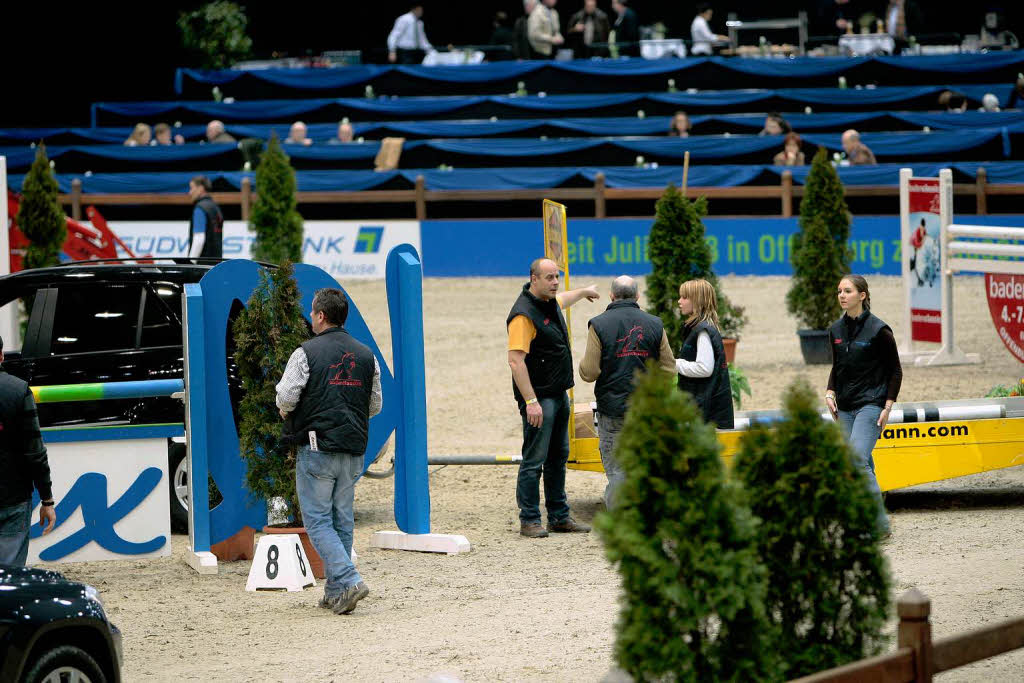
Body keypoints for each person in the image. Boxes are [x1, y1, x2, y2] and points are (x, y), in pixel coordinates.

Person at [276, 288, 382, 614]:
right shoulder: (366, 355)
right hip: (353, 448)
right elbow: (375, 405)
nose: (311, 317)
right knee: (342, 520)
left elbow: (286, 397)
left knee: (319, 521)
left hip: (317, 446)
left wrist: (286, 414)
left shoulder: (305, 352)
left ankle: (349, 579)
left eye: (312, 312)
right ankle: (336, 594)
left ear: (321, 316)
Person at [507, 258, 599, 538]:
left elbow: (562, 300)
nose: (555, 282)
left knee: (558, 456)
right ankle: (530, 519)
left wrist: (583, 292)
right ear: (533, 279)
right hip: (541, 399)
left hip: (558, 394)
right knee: (534, 459)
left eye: (556, 277)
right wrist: (531, 401)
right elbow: (515, 361)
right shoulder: (523, 315)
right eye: (549, 278)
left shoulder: (547, 303)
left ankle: (559, 516)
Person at [578, 276, 675, 508]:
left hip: (613, 408)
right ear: (637, 296)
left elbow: (589, 372)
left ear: (611, 296)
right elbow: (669, 369)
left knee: (617, 470)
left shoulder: (598, 324)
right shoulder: (655, 324)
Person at [825, 275, 901, 539]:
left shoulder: (880, 330)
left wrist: (887, 406)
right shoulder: (835, 330)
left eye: (847, 291)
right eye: (839, 291)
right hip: (843, 407)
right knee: (862, 461)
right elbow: (837, 367)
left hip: (872, 405)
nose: (842, 295)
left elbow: (895, 371)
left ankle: (880, 527)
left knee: (856, 460)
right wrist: (830, 391)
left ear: (862, 295)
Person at [0, 334, 57, 566]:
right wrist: (47, 499)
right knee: (10, 576)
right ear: (1, 355)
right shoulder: (19, 390)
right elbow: (35, 452)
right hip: (13, 497)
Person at [675, 279, 734, 429]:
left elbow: (704, 369)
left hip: (707, 413)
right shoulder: (698, 328)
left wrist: (674, 363)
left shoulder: (703, 331)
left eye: (684, 297)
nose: (679, 301)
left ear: (697, 301)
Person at [187, 175, 224, 259]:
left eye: (192, 188)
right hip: (216, 264)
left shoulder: (200, 208)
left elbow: (199, 239)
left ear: (200, 189)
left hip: (202, 265)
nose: (190, 192)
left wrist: (191, 263)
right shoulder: (216, 207)